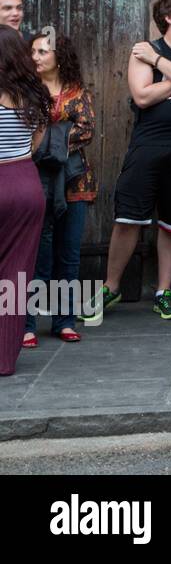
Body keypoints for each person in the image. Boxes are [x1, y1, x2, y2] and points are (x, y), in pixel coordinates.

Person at [83, 0, 171, 323]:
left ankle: (164, 292)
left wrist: (161, 67)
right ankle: (111, 286)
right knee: (128, 217)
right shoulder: (143, 49)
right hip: (147, 146)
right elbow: (141, 97)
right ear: (169, 17)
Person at [24, 33, 97, 346]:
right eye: (33, 52)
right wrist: (63, 131)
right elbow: (24, 130)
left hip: (73, 182)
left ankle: (64, 321)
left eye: (43, 51)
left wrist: (47, 138)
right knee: (35, 255)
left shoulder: (77, 91)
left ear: (59, 56)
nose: (37, 57)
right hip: (35, 182)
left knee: (68, 256)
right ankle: (26, 323)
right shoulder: (26, 91)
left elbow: (87, 130)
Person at [0, 27, 50, 377]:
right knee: (15, 277)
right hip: (26, 183)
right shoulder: (36, 94)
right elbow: (36, 143)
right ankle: (4, 359)